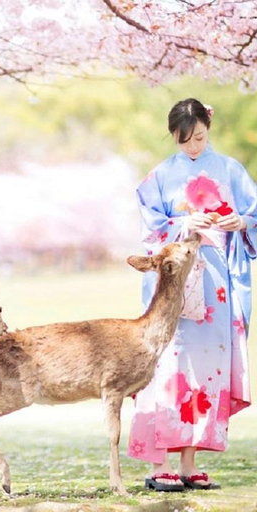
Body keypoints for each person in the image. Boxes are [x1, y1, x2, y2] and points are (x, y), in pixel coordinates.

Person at [128, 98, 254, 491]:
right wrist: (183, 222)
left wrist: (242, 221)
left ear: (208, 127)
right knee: (166, 365)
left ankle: (188, 463)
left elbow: (255, 212)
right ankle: (159, 463)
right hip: (176, 282)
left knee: (206, 368)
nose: (194, 147)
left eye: (199, 137)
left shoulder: (231, 169)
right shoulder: (161, 175)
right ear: (174, 137)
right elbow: (151, 227)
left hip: (216, 281)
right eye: (185, 141)